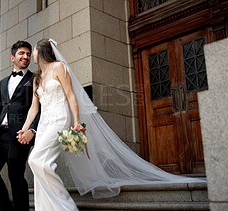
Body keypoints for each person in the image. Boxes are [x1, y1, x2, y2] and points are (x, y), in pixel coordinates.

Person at [17, 38, 205, 211]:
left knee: (37, 160)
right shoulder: (37, 78)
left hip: (59, 119)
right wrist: (24, 128)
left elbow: (71, 95)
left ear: (41, 51)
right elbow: (34, 108)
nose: (30, 55)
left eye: (32, 51)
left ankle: (65, 206)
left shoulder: (59, 68)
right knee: (40, 165)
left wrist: (75, 121)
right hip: (43, 124)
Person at [0, 41, 39, 211]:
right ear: (12, 57)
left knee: (16, 177)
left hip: (19, 135)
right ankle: (6, 206)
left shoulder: (34, 79)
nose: (26, 57)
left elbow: (39, 109)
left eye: (28, 54)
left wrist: (32, 131)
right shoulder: (3, 82)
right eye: (22, 53)